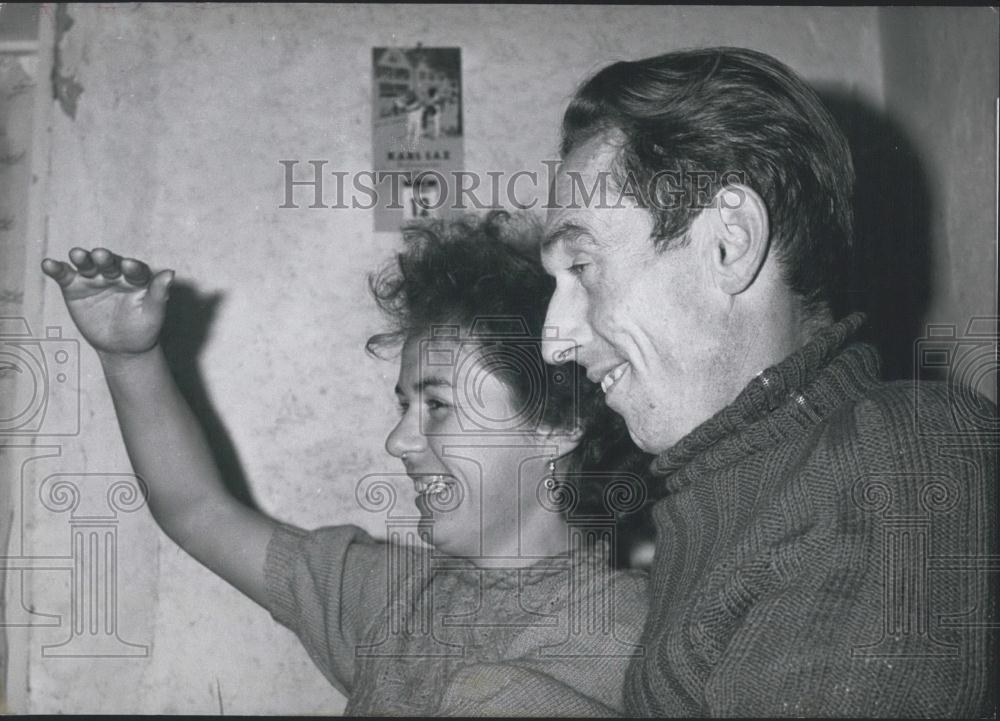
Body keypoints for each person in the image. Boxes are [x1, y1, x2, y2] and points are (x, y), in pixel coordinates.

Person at [41, 211, 649, 716]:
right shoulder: (394, 598)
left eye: (437, 403)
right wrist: (129, 358)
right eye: (405, 404)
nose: (398, 441)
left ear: (558, 425)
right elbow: (197, 510)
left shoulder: (640, 636)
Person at [540, 47, 997, 717]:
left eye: (581, 265)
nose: (554, 340)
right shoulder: (720, 494)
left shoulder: (900, 453)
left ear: (730, 240)